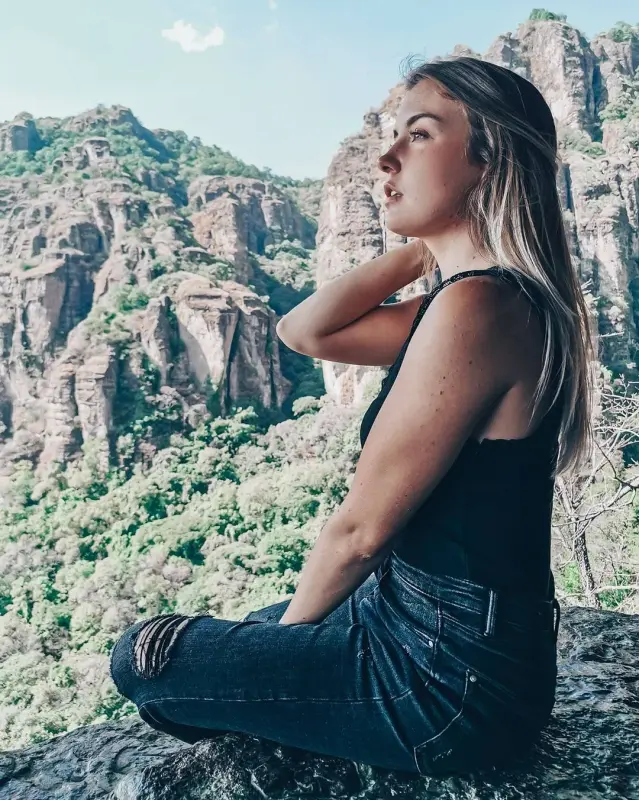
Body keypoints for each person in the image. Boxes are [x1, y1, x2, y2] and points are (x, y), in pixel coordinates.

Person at [109, 55, 596, 777]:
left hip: (440, 680)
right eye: (389, 134)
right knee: (227, 636)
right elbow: (305, 332)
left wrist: (277, 661)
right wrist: (423, 249)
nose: (385, 155)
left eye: (419, 136)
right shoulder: (474, 300)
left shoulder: (479, 307)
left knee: (144, 656)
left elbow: (360, 533)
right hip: (423, 628)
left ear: (491, 158)